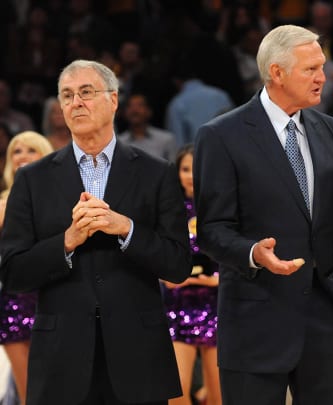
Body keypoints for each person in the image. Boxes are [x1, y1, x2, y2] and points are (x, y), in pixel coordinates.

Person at [193, 24, 333, 405]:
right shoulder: (221, 135)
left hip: (331, 319)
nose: (322, 77)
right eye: (311, 69)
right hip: (256, 319)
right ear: (276, 72)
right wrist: (254, 252)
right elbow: (212, 229)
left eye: (321, 67)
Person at [0, 59, 192, 404]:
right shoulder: (32, 179)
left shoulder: (156, 173)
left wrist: (127, 230)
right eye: (68, 95)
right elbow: (13, 272)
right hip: (62, 362)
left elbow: (178, 265)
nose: (76, 103)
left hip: (138, 358)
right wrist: (67, 242)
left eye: (86, 93)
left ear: (114, 100)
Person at [162, 145, 220, 405]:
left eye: (197, 169)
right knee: (176, 393)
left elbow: (234, 251)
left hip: (217, 306)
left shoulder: (221, 208)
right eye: (185, 169)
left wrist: (221, 278)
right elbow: (158, 254)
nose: (191, 176)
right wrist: (167, 275)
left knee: (220, 395)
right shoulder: (169, 209)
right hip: (177, 306)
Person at [0, 131, 53, 405]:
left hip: (54, 301)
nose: (22, 156)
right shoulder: (3, 204)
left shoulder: (60, 199)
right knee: (28, 394)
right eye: (16, 151)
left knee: (58, 389)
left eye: (30, 150)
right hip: (13, 303)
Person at [118, 93, 177, 161]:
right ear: (124, 113)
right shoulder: (119, 143)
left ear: (149, 111)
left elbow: (174, 169)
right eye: (129, 106)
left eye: (140, 105)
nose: (134, 110)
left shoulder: (166, 140)